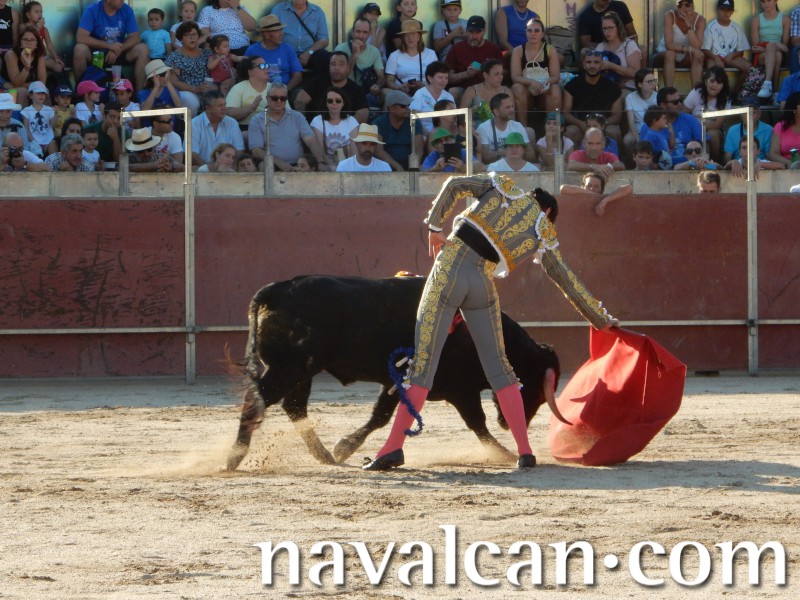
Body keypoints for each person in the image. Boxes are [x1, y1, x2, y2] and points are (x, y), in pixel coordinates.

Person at [362, 174, 618, 471]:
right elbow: (566, 279)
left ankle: (392, 448)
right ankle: (525, 452)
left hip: (450, 269)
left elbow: (454, 184)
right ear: (548, 211)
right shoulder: (542, 230)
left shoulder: (503, 187)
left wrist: (434, 227)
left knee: (423, 365)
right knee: (499, 369)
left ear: (533, 197)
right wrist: (600, 318)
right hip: (482, 285)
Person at [247, 82, 328, 171]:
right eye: (275, 98)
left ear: (286, 100)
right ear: (267, 99)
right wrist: (279, 162)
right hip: (272, 164)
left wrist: (321, 162)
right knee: (264, 165)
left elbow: (311, 141)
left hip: (298, 164)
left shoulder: (297, 117)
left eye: (282, 98)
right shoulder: (257, 120)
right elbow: (256, 151)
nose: (279, 101)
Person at [74, 0, 149, 90]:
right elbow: (81, 37)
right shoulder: (92, 10)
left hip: (119, 53)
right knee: (79, 49)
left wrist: (119, 49)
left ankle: (140, 95)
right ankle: (81, 92)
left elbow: (135, 37)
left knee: (143, 49)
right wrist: (109, 46)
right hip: (98, 55)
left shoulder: (126, 9)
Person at [563, 49, 623, 147]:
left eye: (596, 62)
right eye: (589, 62)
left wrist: (601, 124)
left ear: (601, 65)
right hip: (580, 125)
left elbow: (617, 116)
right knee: (570, 132)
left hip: (604, 125)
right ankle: (574, 157)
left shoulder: (613, 88)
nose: (592, 66)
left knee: (614, 132)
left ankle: (612, 157)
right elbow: (566, 113)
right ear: (584, 64)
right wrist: (580, 123)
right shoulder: (571, 86)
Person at [509, 18, 562, 123]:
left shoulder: (550, 50)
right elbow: (515, 77)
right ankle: (523, 127)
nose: (533, 34)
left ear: (542, 34)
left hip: (544, 93)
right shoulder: (518, 50)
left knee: (555, 89)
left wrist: (544, 84)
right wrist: (531, 83)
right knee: (517, 88)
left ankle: (553, 127)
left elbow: (556, 76)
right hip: (526, 94)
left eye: (537, 31)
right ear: (525, 32)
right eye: (529, 30)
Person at [295, 51, 370, 122]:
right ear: (329, 67)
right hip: (316, 128)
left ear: (348, 68)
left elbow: (363, 114)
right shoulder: (317, 82)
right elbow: (300, 100)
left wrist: (344, 125)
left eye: (341, 64)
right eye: (333, 64)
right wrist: (302, 121)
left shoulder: (356, 90)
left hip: (345, 130)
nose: (336, 68)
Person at [444, 15, 503, 103]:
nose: (474, 36)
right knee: (453, 91)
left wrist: (487, 71)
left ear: (484, 31)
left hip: (488, 89)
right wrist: (467, 74)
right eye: (471, 32)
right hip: (464, 90)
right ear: (466, 31)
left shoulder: (494, 49)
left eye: (478, 32)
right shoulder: (457, 48)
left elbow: (505, 73)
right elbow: (447, 77)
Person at [653, 0, 706, 90]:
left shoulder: (700, 20)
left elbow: (697, 46)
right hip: (664, 53)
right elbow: (669, 45)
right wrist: (690, 50)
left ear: (693, 6)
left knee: (697, 56)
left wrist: (689, 26)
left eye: (687, 5)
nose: (683, 8)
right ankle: (668, 92)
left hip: (684, 57)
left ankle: (696, 92)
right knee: (671, 54)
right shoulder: (670, 16)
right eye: (680, 5)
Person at [271, 0, 330, 79]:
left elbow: (324, 40)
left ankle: (318, 85)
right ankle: (279, 84)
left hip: (310, 54)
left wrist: (309, 52)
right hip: (285, 54)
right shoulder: (279, 9)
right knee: (272, 57)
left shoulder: (317, 11)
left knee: (324, 57)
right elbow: (271, 34)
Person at [245, 16, 303, 95]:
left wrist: (285, 91)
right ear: (266, 35)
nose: (281, 34)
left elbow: (298, 75)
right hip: (259, 93)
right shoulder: (252, 50)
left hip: (284, 92)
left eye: (281, 30)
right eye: (277, 31)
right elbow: (245, 75)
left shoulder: (288, 49)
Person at [166, 21, 214, 117]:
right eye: (187, 35)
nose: (192, 38)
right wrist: (194, 89)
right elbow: (172, 80)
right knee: (190, 100)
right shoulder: (174, 57)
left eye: (194, 34)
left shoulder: (207, 53)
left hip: (208, 90)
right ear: (181, 38)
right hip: (188, 92)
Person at [683, 66, 731, 161]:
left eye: (719, 83)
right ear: (705, 81)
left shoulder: (726, 98)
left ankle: (716, 163)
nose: (714, 85)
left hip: (712, 130)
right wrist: (695, 129)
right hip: (692, 128)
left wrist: (698, 127)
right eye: (712, 81)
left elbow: (717, 124)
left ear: (723, 85)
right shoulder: (696, 92)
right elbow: (684, 114)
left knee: (712, 134)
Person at [334, 17, 385, 102]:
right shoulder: (341, 49)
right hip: (344, 90)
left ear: (369, 34)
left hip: (365, 91)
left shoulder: (374, 51)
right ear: (352, 32)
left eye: (365, 32)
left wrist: (377, 86)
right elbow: (341, 76)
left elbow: (381, 77)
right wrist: (354, 54)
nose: (361, 36)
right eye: (358, 31)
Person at [187, 90, 243, 167]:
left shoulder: (232, 123)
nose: (224, 108)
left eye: (224, 105)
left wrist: (228, 169)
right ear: (208, 108)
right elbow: (191, 154)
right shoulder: (194, 124)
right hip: (203, 170)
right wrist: (210, 169)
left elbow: (239, 151)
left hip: (228, 169)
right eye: (220, 106)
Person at [476, 92, 535, 165]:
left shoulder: (517, 126)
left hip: (516, 165)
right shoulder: (484, 128)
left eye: (512, 106)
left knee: (537, 167)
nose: (512, 110)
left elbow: (532, 155)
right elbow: (485, 158)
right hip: (495, 168)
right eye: (507, 107)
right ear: (496, 112)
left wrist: (516, 153)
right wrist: (501, 152)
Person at [371, 90, 423, 171]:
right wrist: (397, 166)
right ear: (390, 108)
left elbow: (418, 149)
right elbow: (378, 151)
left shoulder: (415, 122)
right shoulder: (378, 123)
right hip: (384, 167)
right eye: (403, 106)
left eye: (408, 105)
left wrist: (412, 168)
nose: (408, 108)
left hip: (409, 167)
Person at [385, 20, 438, 97]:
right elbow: (389, 80)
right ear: (403, 37)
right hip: (402, 93)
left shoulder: (431, 54)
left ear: (419, 36)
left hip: (426, 91)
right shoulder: (394, 55)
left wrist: (423, 85)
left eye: (413, 34)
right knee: (386, 92)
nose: (410, 37)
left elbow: (437, 77)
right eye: (407, 34)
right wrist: (399, 88)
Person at [702, 0, 751, 80]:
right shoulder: (711, 26)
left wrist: (732, 55)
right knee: (712, 69)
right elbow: (705, 49)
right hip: (714, 57)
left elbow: (741, 50)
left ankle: (738, 88)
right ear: (718, 10)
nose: (725, 12)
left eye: (728, 10)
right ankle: (713, 88)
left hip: (731, 58)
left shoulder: (736, 28)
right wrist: (716, 58)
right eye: (723, 9)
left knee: (748, 67)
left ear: (732, 12)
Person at [751, 0, 790, 100]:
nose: (766, 4)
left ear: (776, 1)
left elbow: (785, 47)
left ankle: (768, 86)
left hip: (777, 53)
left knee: (777, 54)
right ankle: (774, 91)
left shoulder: (785, 19)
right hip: (761, 55)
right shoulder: (756, 19)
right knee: (773, 50)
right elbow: (755, 47)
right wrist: (773, 46)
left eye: (769, 0)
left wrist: (772, 46)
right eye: (763, 1)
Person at [311, 87, 359, 167]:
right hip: (326, 166)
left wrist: (346, 168)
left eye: (338, 101)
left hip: (348, 165)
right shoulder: (317, 121)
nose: (334, 103)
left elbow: (354, 151)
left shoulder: (351, 120)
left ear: (343, 103)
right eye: (330, 101)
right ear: (326, 103)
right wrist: (332, 167)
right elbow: (320, 151)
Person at [595, 11, 642, 92]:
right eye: (604, 28)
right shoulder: (601, 47)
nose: (607, 32)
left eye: (610, 28)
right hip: (605, 88)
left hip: (628, 88)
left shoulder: (629, 45)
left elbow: (635, 73)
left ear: (618, 27)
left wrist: (611, 66)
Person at [658, 86, 702, 166]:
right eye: (675, 102)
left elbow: (703, 146)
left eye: (680, 100)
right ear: (663, 105)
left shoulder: (691, 120)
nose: (679, 104)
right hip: (661, 169)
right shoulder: (650, 125)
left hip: (689, 166)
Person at [4, 24, 46, 107]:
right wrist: (27, 66)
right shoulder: (11, 54)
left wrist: (26, 86)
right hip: (6, 89)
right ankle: (21, 116)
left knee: (43, 91)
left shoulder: (39, 56)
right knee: (22, 91)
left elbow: (42, 82)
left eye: (32, 40)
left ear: (37, 43)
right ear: (20, 42)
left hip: (17, 86)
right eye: (25, 39)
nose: (29, 43)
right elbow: (16, 83)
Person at [459, 59, 511, 124]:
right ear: (485, 75)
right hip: (476, 128)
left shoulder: (506, 91)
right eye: (496, 74)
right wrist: (473, 110)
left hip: (500, 127)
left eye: (501, 74)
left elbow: (511, 118)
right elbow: (460, 117)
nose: (500, 77)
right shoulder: (472, 91)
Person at [722, 95, 773, 162]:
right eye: (746, 112)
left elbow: (770, 157)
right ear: (741, 114)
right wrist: (734, 164)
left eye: (753, 112)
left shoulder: (769, 130)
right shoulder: (732, 130)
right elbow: (727, 157)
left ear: (759, 114)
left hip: (761, 166)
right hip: (738, 166)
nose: (749, 115)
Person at [409, 61, 454, 135]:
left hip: (444, 135)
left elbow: (453, 121)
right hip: (422, 135)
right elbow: (414, 120)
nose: (444, 81)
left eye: (446, 78)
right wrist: (430, 135)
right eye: (440, 77)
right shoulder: (420, 94)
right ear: (430, 78)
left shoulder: (449, 97)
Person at [559, 170, 633, 215]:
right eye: (589, 186)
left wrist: (605, 200)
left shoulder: (607, 199)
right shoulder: (577, 197)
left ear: (602, 190)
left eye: (596, 186)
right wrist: (595, 195)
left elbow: (628, 188)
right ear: (582, 187)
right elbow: (563, 188)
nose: (592, 188)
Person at [20, 1, 64, 75]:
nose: (40, 14)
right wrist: (39, 26)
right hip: (27, 56)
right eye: (36, 12)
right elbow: (30, 35)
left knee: (59, 67)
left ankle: (47, 78)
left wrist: (55, 57)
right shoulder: (23, 26)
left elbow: (50, 46)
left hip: (40, 57)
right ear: (28, 15)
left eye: (41, 12)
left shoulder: (44, 29)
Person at [225, 56, 271, 126]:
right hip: (245, 128)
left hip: (271, 128)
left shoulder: (274, 88)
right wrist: (251, 108)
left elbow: (287, 113)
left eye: (266, 65)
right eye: (261, 66)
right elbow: (228, 113)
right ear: (250, 72)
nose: (266, 68)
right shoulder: (239, 88)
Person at [623, 69, 658, 158]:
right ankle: (632, 162)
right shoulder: (630, 97)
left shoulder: (658, 97)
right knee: (627, 140)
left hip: (653, 129)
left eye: (654, 81)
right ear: (640, 84)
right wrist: (638, 140)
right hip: (637, 130)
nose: (653, 84)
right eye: (649, 82)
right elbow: (631, 123)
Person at [21, 80, 56, 156]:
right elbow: (26, 128)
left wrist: (55, 113)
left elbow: (53, 126)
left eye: (43, 93)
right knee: (36, 158)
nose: (41, 96)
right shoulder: (26, 110)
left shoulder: (49, 109)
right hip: (33, 141)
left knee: (53, 153)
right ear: (30, 95)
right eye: (38, 93)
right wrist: (33, 141)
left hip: (48, 141)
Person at [767, 92, 800, 167]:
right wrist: (788, 163)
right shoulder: (780, 127)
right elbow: (773, 153)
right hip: (785, 168)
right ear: (793, 107)